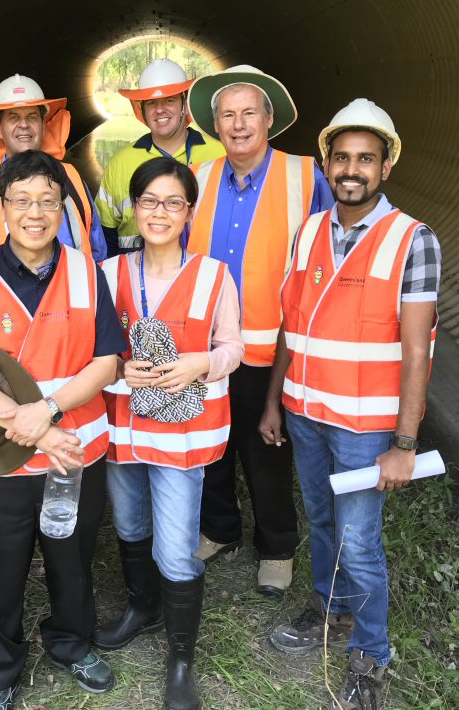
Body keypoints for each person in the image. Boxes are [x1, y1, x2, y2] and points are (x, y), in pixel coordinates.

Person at [260, 99, 441, 709]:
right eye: (342, 157)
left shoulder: (412, 240)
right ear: (326, 164)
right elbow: (292, 326)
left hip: (366, 427)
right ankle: (330, 608)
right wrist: (273, 403)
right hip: (307, 413)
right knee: (321, 518)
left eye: (366, 158)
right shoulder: (309, 231)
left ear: (386, 166)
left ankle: (370, 652)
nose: (352, 169)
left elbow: (417, 353)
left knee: (360, 541)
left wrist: (405, 444)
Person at [0, 150, 126, 710]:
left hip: (74, 450)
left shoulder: (87, 273)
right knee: (0, 567)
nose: (35, 212)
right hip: (1, 457)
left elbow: (106, 362)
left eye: (48, 200)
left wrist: (48, 411)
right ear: (3, 208)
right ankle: (0, 667)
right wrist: (34, 428)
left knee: (72, 559)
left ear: (63, 206)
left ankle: (72, 642)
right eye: (22, 200)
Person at [95, 158, 243, 710]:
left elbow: (236, 347)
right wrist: (116, 368)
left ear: (189, 212)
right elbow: (96, 352)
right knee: (130, 523)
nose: (160, 212)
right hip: (126, 422)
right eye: (149, 201)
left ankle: (181, 660)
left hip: (185, 430)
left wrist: (201, 363)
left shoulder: (213, 275)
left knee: (177, 547)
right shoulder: (109, 274)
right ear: (134, 208)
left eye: (173, 202)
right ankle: (142, 608)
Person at [184, 65, 334, 596]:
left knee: (266, 448)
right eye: (228, 114)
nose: (238, 124)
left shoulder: (304, 175)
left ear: (269, 119)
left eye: (250, 112)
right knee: (211, 443)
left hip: (272, 347)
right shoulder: (197, 178)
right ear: (215, 125)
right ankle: (219, 528)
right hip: (204, 343)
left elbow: (328, 257)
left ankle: (276, 545)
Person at [0, 74, 107, 261]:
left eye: (32, 117)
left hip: (74, 287)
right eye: (13, 117)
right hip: (4, 289)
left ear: (43, 124)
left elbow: (98, 249)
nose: (24, 125)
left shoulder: (71, 177)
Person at [95, 59, 225, 256]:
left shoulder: (220, 154)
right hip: (133, 276)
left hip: (203, 276)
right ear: (142, 110)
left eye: (170, 100)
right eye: (151, 103)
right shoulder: (120, 163)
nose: (160, 109)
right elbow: (105, 238)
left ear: (185, 103)